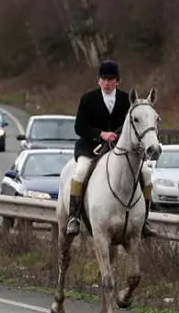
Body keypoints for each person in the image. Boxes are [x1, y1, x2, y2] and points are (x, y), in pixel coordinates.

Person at [65, 60, 157, 237]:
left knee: (146, 174)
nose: (107, 83)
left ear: (118, 81)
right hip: (92, 147)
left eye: (111, 79)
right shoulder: (88, 99)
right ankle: (74, 217)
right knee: (80, 172)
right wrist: (100, 134)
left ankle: (144, 220)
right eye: (104, 79)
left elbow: (133, 127)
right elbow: (80, 127)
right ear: (98, 80)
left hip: (120, 150)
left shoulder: (126, 100)